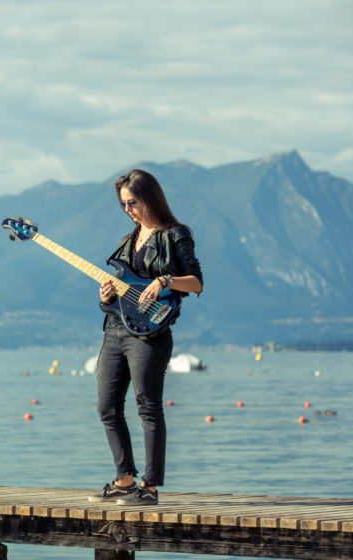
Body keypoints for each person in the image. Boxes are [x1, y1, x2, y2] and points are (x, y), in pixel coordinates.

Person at [88, 169, 203, 505]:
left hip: (151, 336)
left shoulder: (176, 236)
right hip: (115, 331)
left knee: (148, 408)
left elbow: (196, 282)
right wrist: (106, 296)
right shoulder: (128, 239)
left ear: (150, 197)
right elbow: (118, 295)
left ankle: (149, 487)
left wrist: (166, 280)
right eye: (123, 204)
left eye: (133, 202)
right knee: (107, 407)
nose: (128, 209)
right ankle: (124, 480)